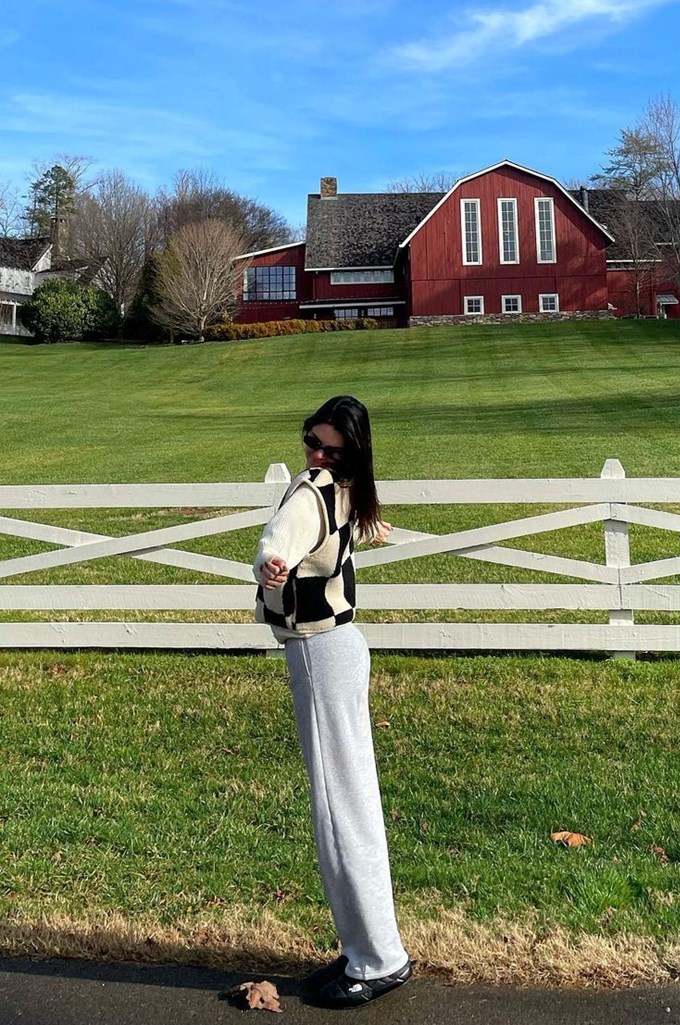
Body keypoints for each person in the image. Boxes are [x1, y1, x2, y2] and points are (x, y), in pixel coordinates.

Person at [253, 395, 412, 1010]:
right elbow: (337, 530)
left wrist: (273, 561)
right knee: (346, 803)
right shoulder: (345, 488)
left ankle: (379, 958)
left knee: (342, 811)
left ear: (348, 454)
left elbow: (281, 537)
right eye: (310, 442)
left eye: (329, 448)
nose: (316, 456)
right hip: (335, 648)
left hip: (322, 652)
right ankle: (364, 949)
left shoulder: (313, 489)